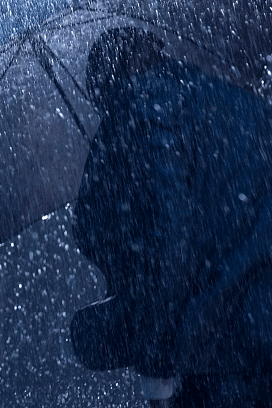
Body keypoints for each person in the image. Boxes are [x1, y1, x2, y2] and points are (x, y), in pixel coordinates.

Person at [70, 26, 272, 407]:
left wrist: (155, 359)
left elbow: (169, 245)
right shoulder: (233, 102)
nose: (103, 107)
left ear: (117, 74)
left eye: (101, 94)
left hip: (221, 351)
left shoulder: (143, 107)